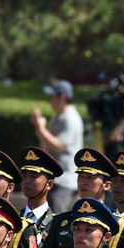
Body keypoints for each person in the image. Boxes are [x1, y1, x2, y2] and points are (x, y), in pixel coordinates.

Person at [32, 80, 84, 213]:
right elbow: (46, 144)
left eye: (52, 97)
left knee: (55, 220)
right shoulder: (59, 116)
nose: (50, 100)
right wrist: (39, 128)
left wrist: (40, 127)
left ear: (63, 97)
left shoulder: (70, 118)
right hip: (56, 178)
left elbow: (59, 146)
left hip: (64, 180)